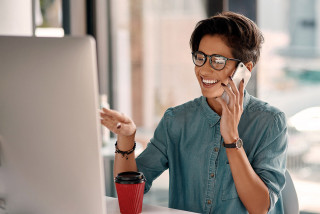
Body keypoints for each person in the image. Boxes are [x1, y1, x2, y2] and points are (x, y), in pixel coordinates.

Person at [100, 11, 288, 214]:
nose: (204, 70)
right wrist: (127, 139)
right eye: (201, 57)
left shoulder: (270, 122)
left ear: (245, 68)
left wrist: (232, 138)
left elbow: (260, 207)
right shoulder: (177, 120)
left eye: (217, 60)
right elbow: (129, 192)